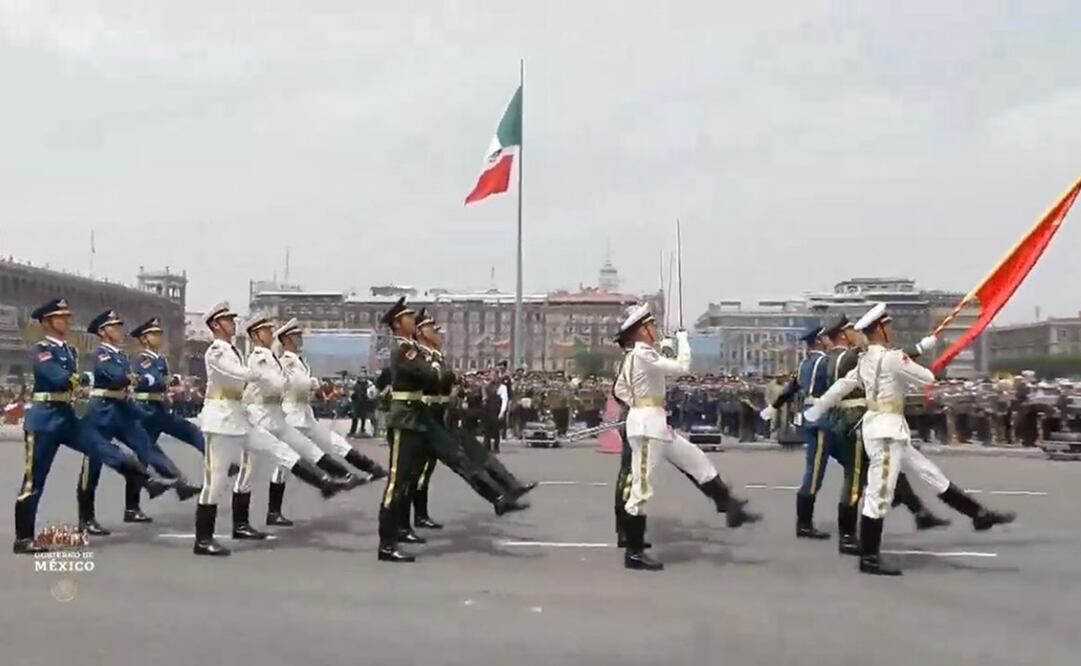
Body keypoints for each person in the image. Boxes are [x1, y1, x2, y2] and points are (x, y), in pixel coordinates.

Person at [806, 303, 1016, 575]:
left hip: (887, 428)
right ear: (880, 329)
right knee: (878, 495)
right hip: (885, 433)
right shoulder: (892, 358)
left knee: (931, 474)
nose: (890, 329)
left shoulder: (866, 359)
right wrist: (922, 355)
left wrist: (817, 408)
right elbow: (926, 377)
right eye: (888, 325)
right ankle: (869, 558)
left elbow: (842, 386)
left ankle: (979, 515)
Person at [193, 303, 354, 557]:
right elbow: (237, 373)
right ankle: (203, 540)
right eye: (227, 320)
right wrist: (260, 375)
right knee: (215, 483)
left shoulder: (234, 350)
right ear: (215, 325)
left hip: (240, 417)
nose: (233, 324)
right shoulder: (215, 352)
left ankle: (322, 481)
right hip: (220, 421)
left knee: (278, 449)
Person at [14, 299, 170, 555]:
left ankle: (143, 479)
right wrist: (87, 378)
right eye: (60, 316)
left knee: (101, 447)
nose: (66, 320)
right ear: (46, 322)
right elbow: (58, 377)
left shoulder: (71, 351)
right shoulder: (40, 348)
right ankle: (23, 538)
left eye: (66, 316)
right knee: (35, 480)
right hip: (44, 420)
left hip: (67, 416)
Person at [613, 304, 759, 571]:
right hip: (648, 427)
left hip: (654, 423)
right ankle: (633, 553)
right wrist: (682, 339)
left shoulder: (638, 356)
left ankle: (729, 506)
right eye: (651, 326)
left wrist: (636, 403)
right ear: (641, 331)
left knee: (696, 459)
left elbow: (620, 389)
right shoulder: (642, 354)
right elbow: (683, 366)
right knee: (641, 489)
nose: (655, 329)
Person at [233, 313, 365, 537]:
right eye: (265, 330)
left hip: (275, 415)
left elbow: (287, 384)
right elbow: (278, 385)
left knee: (291, 454)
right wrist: (296, 385)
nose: (270, 333)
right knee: (249, 472)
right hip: (258, 416)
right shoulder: (259, 358)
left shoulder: (273, 357)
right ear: (256, 335)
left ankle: (323, 482)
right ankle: (240, 523)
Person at [77, 310, 197, 535]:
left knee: (145, 446)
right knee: (92, 466)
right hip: (101, 411)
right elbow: (117, 377)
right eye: (115, 326)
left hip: (123, 408)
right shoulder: (100, 353)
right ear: (103, 331)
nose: (121, 330)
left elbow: (130, 380)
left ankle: (176, 481)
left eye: (120, 325)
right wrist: (142, 380)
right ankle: (86, 517)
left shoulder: (121, 356)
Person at [275, 318, 385, 526]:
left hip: (305, 413)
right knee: (284, 465)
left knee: (333, 441)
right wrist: (313, 384)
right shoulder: (286, 362)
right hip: (292, 414)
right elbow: (297, 385)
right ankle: (274, 510)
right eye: (296, 336)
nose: (300, 339)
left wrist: (314, 387)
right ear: (286, 339)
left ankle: (368, 468)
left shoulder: (299, 360)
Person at [127, 317, 207, 523]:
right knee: (143, 457)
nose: (159, 337)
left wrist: (169, 388)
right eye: (155, 334)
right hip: (145, 409)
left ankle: (211, 457)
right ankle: (132, 506)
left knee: (188, 430)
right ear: (144, 338)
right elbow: (148, 379)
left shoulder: (160, 358)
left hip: (160, 407)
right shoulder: (141, 358)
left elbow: (164, 380)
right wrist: (165, 382)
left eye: (159, 333)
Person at [760, 324, 835, 540]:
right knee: (814, 473)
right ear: (820, 341)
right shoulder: (825, 362)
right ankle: (804, 524)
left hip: (810, 418)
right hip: (822, 419)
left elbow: (790, 389)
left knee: (822, 466)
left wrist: (773, 407)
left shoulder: (804, 364)